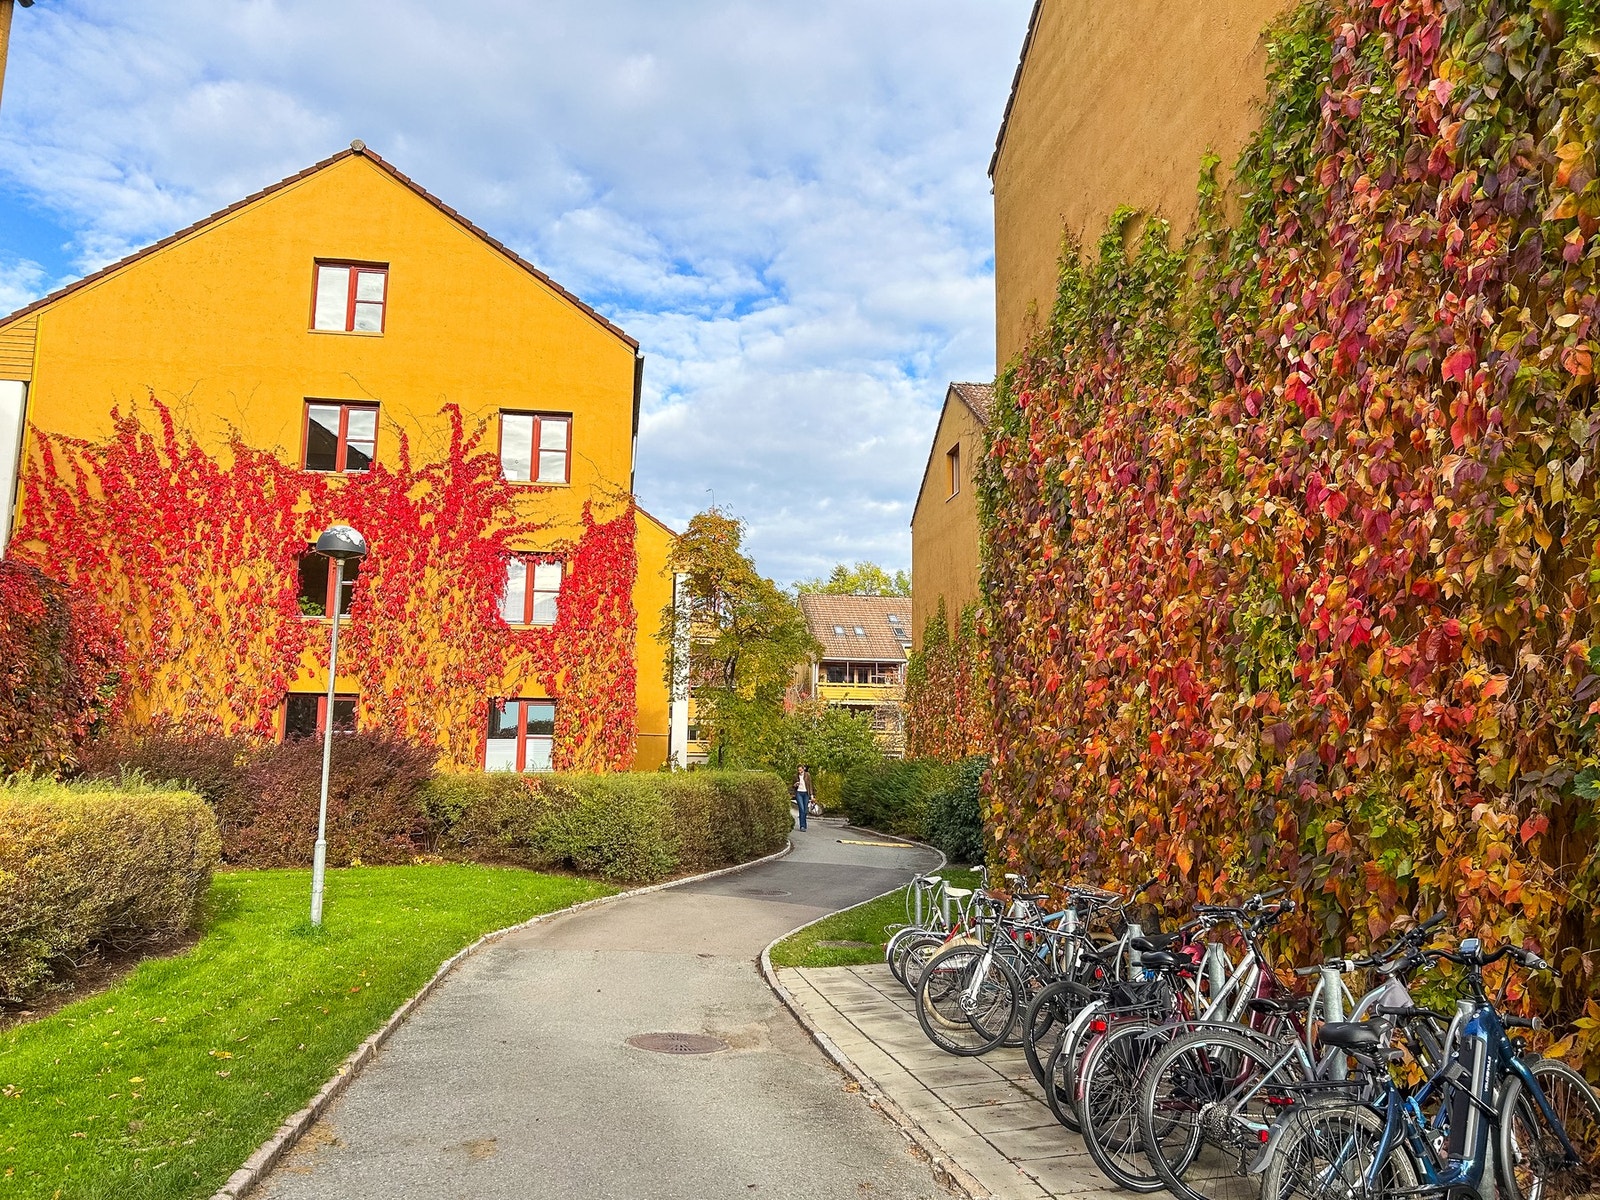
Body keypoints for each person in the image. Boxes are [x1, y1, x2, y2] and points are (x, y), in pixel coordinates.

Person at [795, 765, 813, 831]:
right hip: (799, 793)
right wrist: (795, 784)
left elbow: (810, 785)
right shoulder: (795, 776)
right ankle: (802, 826)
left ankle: (804, 825)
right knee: (801, 809)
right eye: (798, 770)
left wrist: (811, 795)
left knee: (805, 810)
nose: (799, 771)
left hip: (806, 793)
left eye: (800, 770)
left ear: (803, 769)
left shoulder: (807, 775)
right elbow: (792, 785)